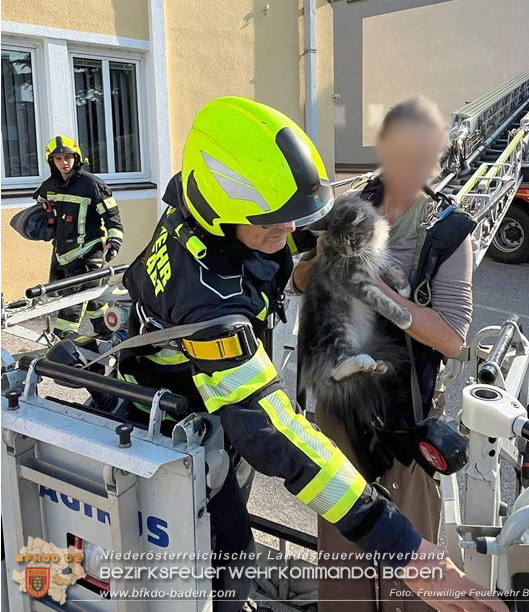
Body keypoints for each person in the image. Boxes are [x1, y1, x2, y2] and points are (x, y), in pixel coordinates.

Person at [121, 97, 504, 612]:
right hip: (188, 418)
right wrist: (411, 554)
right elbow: (271, 429)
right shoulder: (209, 300)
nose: (285, 234)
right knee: (230, 562)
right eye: (271, 224)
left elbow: (289, 242)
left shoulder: (202, 207)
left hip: (243, 410)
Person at [292, 95, 474, 611]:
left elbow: (452, 338)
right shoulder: (354, 208)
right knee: (344, 558)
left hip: (404, 420)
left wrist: (381, 293)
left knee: (409, 569)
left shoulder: (446, 234)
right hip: (339, 413)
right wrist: (325, 256)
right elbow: (299, 282)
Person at [33, 136, 123, 338]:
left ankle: (61, 348)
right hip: (63, 255)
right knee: (94, 303)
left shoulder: (92, 185)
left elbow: (112, 218)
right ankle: (109, 336)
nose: (64, 163)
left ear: (76, 158)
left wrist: (114, 242)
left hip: (89, 253)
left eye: (68, 157)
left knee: (71, 305)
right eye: (58, 159)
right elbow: (38, 209)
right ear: (51, 162)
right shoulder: (49, 187)